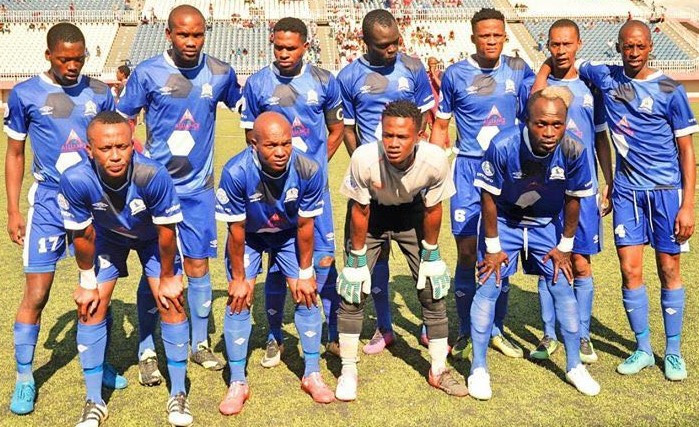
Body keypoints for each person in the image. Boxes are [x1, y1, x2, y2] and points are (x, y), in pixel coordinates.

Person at [534, 20, 697, 381]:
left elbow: (687, 151)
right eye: (628, 46)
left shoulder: (670, 89)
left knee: (669, 269)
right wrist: (544, 68)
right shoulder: (605, 76)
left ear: (650, 47)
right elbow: (560, 58)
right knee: (630, 270)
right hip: (625, 192)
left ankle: (672, 352)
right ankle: (643, 349)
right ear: (618, 47)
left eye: (640, 46)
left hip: (665, 192)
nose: (633, 53)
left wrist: (688, 205)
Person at [117, 4, 242, 384]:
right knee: (158, 269)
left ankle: (198, 344)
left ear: (206, 34)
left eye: (198, 34)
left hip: (199, 191)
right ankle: (146, 348)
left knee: (199, 266)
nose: (191, 41)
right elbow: (122, 123)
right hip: (155, 193)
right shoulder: (147, 73)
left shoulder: (220, 72)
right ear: (168, 34)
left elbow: (247, 109)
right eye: (183, 34)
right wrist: (138, 166)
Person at [4, 23, 121, 416]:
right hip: (49, 205)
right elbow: (15, 154)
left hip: (94, 202)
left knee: (98, 290)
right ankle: (24, 377)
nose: (73, 66)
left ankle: (99, 362)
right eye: (64, 59)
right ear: (48, 56)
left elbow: (115, 142)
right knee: (37, 294)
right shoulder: (25, 94)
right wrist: (14, 210)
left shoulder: (100, 92)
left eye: (79, 58)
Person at [58, 112, 192, 427]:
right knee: (91, 306)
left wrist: (169, 277)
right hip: (108, 237)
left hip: (152, 238)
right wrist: (87, 282)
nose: (116, 155)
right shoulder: (76, 179)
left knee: (171, 301)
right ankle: (94, 401)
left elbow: (167, 231)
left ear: (132, 145)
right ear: (89, 150)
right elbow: (83, 235)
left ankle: (179, 393)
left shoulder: (152, 174)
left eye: (123, 146)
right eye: (106, 148)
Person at [469, 87, 600, 400]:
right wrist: (493, 247)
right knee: (489, 285)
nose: (549, 132)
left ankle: (574, 365)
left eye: (557, 124)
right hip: (505, 221)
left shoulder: (574, 149)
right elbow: (488, 196)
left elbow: (574, 198)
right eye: (541, 124)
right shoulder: (503, 144)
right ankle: (478, 368)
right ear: (526, 121)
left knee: (562, 287)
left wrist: (565, 246)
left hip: (545, 224)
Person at [335, 100, 466, 401]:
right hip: (372, 215)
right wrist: (356, 259)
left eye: (402, 137)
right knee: (353, 290)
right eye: (388, 135)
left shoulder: (434, 160)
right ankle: (348, 369)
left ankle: (438, 369)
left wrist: (431, 253)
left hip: (412, 214)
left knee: (432, 287)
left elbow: (433, 208)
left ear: (419, 136)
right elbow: (360, 210)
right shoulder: (364, 157)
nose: (393, 143)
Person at [430, 8, 534, 361]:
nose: (491, 41)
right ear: (473, 37)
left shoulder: (519, 69)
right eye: (484, 35)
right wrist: (435, 170)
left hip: (507, 173)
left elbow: (537, 111)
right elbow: (441, 126)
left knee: (499, 251)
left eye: (497, 35)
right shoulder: (455, 74)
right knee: (466, 251)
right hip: (468, 170)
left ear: (505, 36)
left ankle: (496, 330)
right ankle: (465, 329)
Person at [239, 17, 344, 365]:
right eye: (278, 47)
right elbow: (251, 137)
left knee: (324, 259)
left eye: (291, 48)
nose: (283, 53)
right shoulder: (257, 84)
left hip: (313, 190)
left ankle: (332, 333)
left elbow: (336, 129)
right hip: (272, 191)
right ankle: (274, 335)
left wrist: (314, 168)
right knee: (276, 263)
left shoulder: (324, 81)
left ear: (305, 47)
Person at [215, 112, 335, 414]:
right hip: (250, 236)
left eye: (286, 143)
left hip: (288, 234)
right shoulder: (236, 172)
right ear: (253, 144)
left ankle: (312, 374)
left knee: (306, 294)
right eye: (271, 145)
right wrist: (239, 278)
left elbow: (306, 226)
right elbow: (236, 230)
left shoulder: (308, 168)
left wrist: (306, 273)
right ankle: (238, 382)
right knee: (239, 299)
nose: (281, 151)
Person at [336, 9, 434, 355]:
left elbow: (425, 118)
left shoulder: (413, 67)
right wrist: (366, 167)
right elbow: (348, 129)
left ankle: (429, 325)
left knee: (424, 256)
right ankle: (384, 327)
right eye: (383, 45)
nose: (392, 49)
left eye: (395, 42)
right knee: (370, 260)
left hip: (409, 182)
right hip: (372, 187)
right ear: (365, 41)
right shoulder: (349, 76)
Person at [530, 19, 613, 364]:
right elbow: (532, 106)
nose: (561, 50)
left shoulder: (590, 87)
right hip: (546, 188)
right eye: (555, 44)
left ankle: (582, 335)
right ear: (547, 46)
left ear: (579, 44)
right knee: (547, 260)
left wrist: (608, 180)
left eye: (567, 44)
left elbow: (600, 137)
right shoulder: (539, 84)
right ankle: (550, 335)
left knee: (580, 262)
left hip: (583, 188)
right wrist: (544, 69)